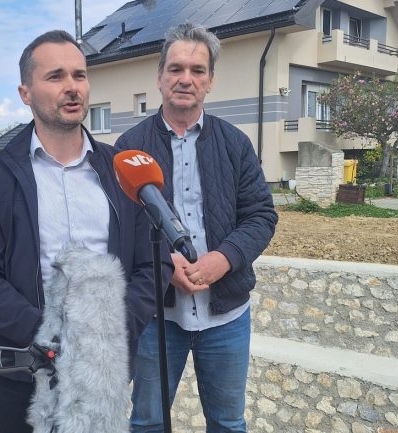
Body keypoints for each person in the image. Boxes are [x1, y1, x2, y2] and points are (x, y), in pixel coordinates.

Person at [0, 30, 171, 433]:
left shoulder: (123, 172)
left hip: (102, 368)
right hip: (24, 369)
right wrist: (47, 335)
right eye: (55, 76)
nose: (72, 86)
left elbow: (154, 264)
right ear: (25, 92)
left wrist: (117, 328)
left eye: (80, 75)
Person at [116, 23, 278, 433]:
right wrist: (164, 263)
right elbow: (117, 227)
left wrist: (223, 259)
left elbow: (261, 215)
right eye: (175, 69)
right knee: (148, 423)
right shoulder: (129, 149)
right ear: (159, 77)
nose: (185, 79)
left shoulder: (235, 144)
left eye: (197, 70)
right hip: (156, 316)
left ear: (210, 81)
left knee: (227, 423)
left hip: (226, 315)